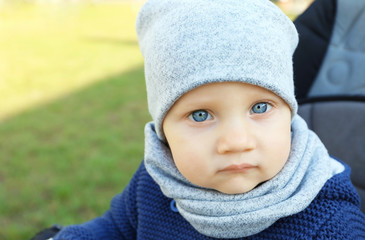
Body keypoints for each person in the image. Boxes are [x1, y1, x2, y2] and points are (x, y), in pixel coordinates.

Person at [53, 0, 365, 239]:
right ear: (163, 129)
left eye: (260, 108)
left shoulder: (328, 223)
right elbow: (116, 228)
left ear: (289, 114)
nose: (236, 141)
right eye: (200, 115)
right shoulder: (157, 181)